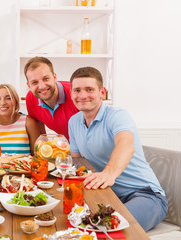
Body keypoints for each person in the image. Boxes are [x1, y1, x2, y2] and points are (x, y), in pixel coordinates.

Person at [67, 67, 167, 231]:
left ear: (102, 92)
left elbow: (126, 146)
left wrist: (108, 173)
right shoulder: (73, 122)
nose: (83, 95)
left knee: (107, 227)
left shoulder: (118, 115)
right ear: (71, 93)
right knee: (71, 223)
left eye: (89, 89)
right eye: (77, 90)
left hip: (146, 196)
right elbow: (78, 162)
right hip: (106, 196)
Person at [24, 57, 79, 140]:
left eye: (46, 79)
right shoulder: (31, 98)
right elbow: (40, 132)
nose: (42, 86)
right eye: (34, 82)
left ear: (54, 77)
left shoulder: (75, 94)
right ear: (29, 85)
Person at [0, 84, 40, 155]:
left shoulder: (28, 123)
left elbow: (37, 156)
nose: (3, 103)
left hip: (23, 166)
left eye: (8, 98)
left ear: (16, 101)